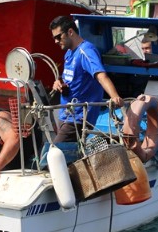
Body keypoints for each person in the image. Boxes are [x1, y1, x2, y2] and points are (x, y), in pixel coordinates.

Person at [49, 15, 123, 143]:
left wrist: (115, 96)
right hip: (65, 114)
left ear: (70, 32)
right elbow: (69, 78)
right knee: (70, 153)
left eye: (58, 37)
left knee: (54, 152)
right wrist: (59, 83)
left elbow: (101, 76)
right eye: (54, 38)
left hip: (79, 118)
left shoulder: (86, 51)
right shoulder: (69, 53)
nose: (56, 41)